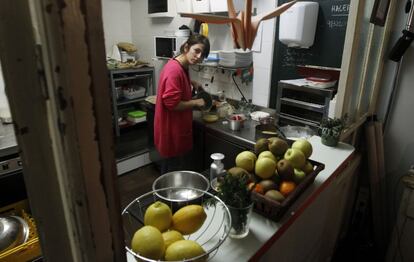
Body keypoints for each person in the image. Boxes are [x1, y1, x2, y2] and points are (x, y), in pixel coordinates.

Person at [154, 34, 210, 174]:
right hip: (171, 132)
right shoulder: (175, 70)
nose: (198, 57)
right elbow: (171, 104)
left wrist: (191, 82)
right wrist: (196, 102)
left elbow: (177, 83)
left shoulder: (180, 64)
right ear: (186, 47)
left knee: (172, 172)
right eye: (196, 51)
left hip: (173, 129)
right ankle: (165, 195)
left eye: (202, 54)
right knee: (172, 175)